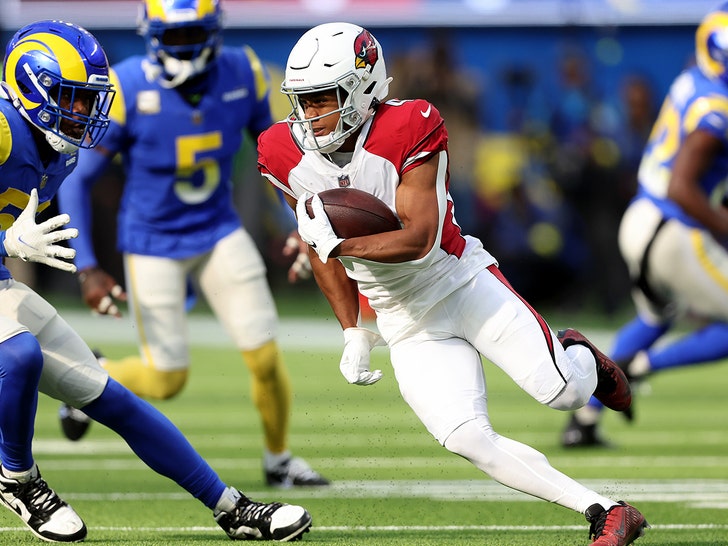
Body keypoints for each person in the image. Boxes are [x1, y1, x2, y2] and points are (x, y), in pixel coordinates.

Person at [257, 22, 650, 546]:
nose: (310, 114)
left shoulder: (410, 123)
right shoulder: (279, 149)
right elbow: (317, 238)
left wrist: (335, 245)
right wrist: (351, 328)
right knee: (466, 436)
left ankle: (581, 357)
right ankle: (606, 511)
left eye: (323, 98)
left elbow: (417, 238)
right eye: (302, 101)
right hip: (401, 316)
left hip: (460, 281)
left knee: (565, 393)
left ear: (362, 85)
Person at [0, 19, 312, 543]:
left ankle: (231, 508)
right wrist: (6, 245)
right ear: (32, 88)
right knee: (19, 355)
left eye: (89, 100)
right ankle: (18, 479)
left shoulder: (58, 148)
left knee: (109, 396)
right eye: (73, 100)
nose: (85, 114)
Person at [56, 0, 327, 488]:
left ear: (214, 31)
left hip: (218, 231)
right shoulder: (128, 86)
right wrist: (87, 265)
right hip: (152, 241)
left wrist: (302, 221)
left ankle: (279, 460)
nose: (183, 46)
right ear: (153, 36)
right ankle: (95, 371)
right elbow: (77, 177)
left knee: (264, 356)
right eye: (173, 36)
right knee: (167, 380)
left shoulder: (242, 71)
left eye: (192, 34)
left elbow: (276, 157)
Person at [562, 2, 728, 448]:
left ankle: (585, 421)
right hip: (669, 227)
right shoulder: (716, 109)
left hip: (644, 220)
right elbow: (682, 187)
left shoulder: (695, 79)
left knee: (654, 317)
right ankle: (641, 367)